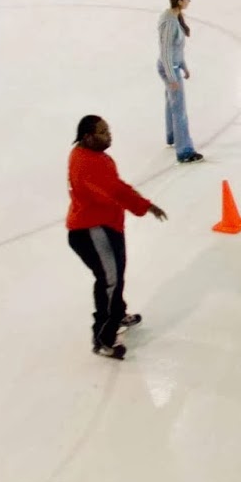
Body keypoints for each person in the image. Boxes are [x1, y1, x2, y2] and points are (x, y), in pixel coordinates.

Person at [67, 115, 168, 360]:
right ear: (88, 137)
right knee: (109, 281)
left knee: (115, 277)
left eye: (108, 130)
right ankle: (103, 337)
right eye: (103, 132)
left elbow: (114, 186)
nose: (109, 135)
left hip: (106, 226)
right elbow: (116, 190)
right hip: (92, 230)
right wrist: (147, 206)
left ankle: (117, 313)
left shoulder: (90, 154)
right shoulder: (88, 163)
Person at [158, 0, 204, 164]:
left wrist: (183, 66)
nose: (189, 1)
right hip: (169, 67)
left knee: (172, 103)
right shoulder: (170, 23)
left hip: (173, 66)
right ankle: (184, 151)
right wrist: (172, 76)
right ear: (179, 1)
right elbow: (166, 51)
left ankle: (172, 136)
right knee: (179, 110)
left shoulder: (174, 16)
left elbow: (176, 49)